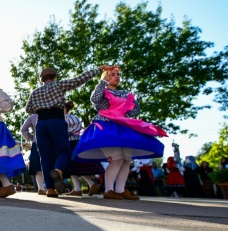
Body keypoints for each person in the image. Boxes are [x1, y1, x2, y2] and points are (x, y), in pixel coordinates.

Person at [72, 66, 166, 200]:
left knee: (127, 159)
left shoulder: (125, 93)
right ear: (105, 77)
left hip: (123, 126)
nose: (116, 76)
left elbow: (134, 111)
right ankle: (108, 190)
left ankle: (120, 190)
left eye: (117, 74)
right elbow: (94, 100)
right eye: (112, 74)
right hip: (106, 127)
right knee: (117, 158)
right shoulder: (101, 90)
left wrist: (131, 104)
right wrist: (102, 82)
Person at [26, 65, 112, 198]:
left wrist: (41, 108)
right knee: (63, 150)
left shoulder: (35, 92)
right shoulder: (59, 85)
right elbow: (79, 79)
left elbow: (28, 109)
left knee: (45, 156)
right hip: (56, 120)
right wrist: (99, 69)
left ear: (42, 79)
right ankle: (59, 170)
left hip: (41, 123)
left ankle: (50, 189)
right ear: (54, 77)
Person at [63, 102, 103, 197]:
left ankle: (88, 185)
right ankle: (79, 188)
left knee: (76, 165)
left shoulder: (71, 117)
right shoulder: (60, 119)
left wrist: (63, 132)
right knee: (71, 166)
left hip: (73, 143)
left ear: (64, 109)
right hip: (67, 143)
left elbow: (77, 127)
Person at [20, 114, 46, 195]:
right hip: (51, 141)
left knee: (37, 166)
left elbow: (23, 129)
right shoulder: (52, 113)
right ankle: (50, 187)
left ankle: (40, 188)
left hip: (36, 141)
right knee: (50, 164)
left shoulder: (33, 116)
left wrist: (31, 138)